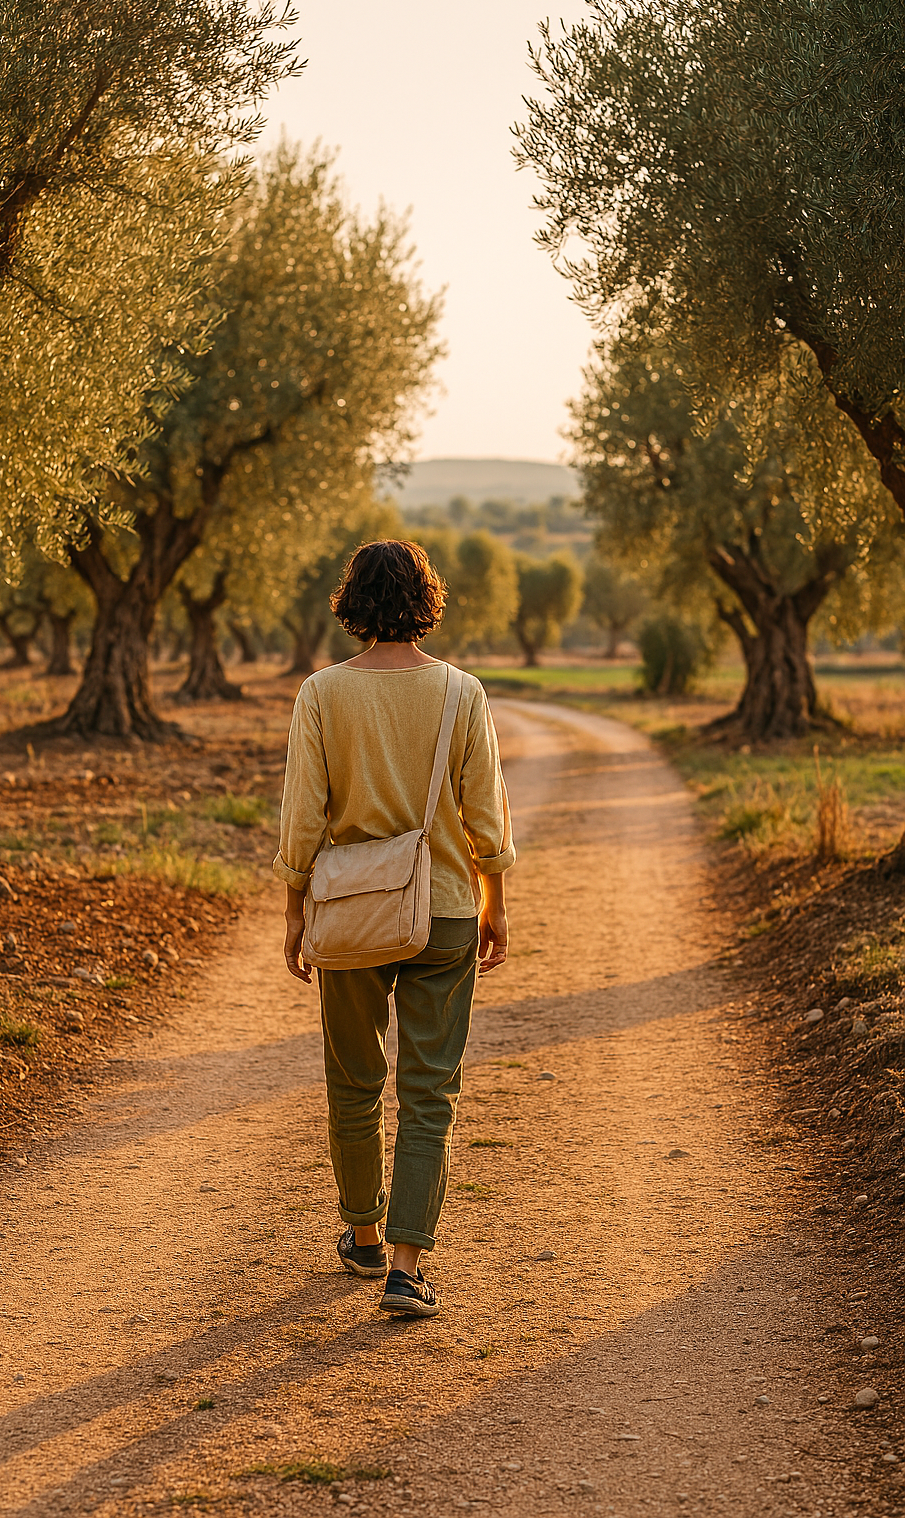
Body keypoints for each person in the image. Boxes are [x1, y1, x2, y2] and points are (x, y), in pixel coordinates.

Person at [274, 539, 514, 1318]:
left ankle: (365, 1233)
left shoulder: (321, 693)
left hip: (349, 914)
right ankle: (407, 1269)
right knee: (429, 1089)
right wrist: (496, 901)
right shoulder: (460, 692)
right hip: (445, 907)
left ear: (353, 603)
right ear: (425, 600)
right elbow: (486, 814)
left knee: (353, 1077)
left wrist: (293, 907)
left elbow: (303, 814)